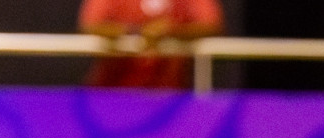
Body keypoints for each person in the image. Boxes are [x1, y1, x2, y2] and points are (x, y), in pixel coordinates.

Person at [78, 0, 222, 89]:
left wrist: (171, 30)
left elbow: (210, 25)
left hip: (171, 94)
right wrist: (135, 31)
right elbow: (90, 25)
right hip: (113, 93)